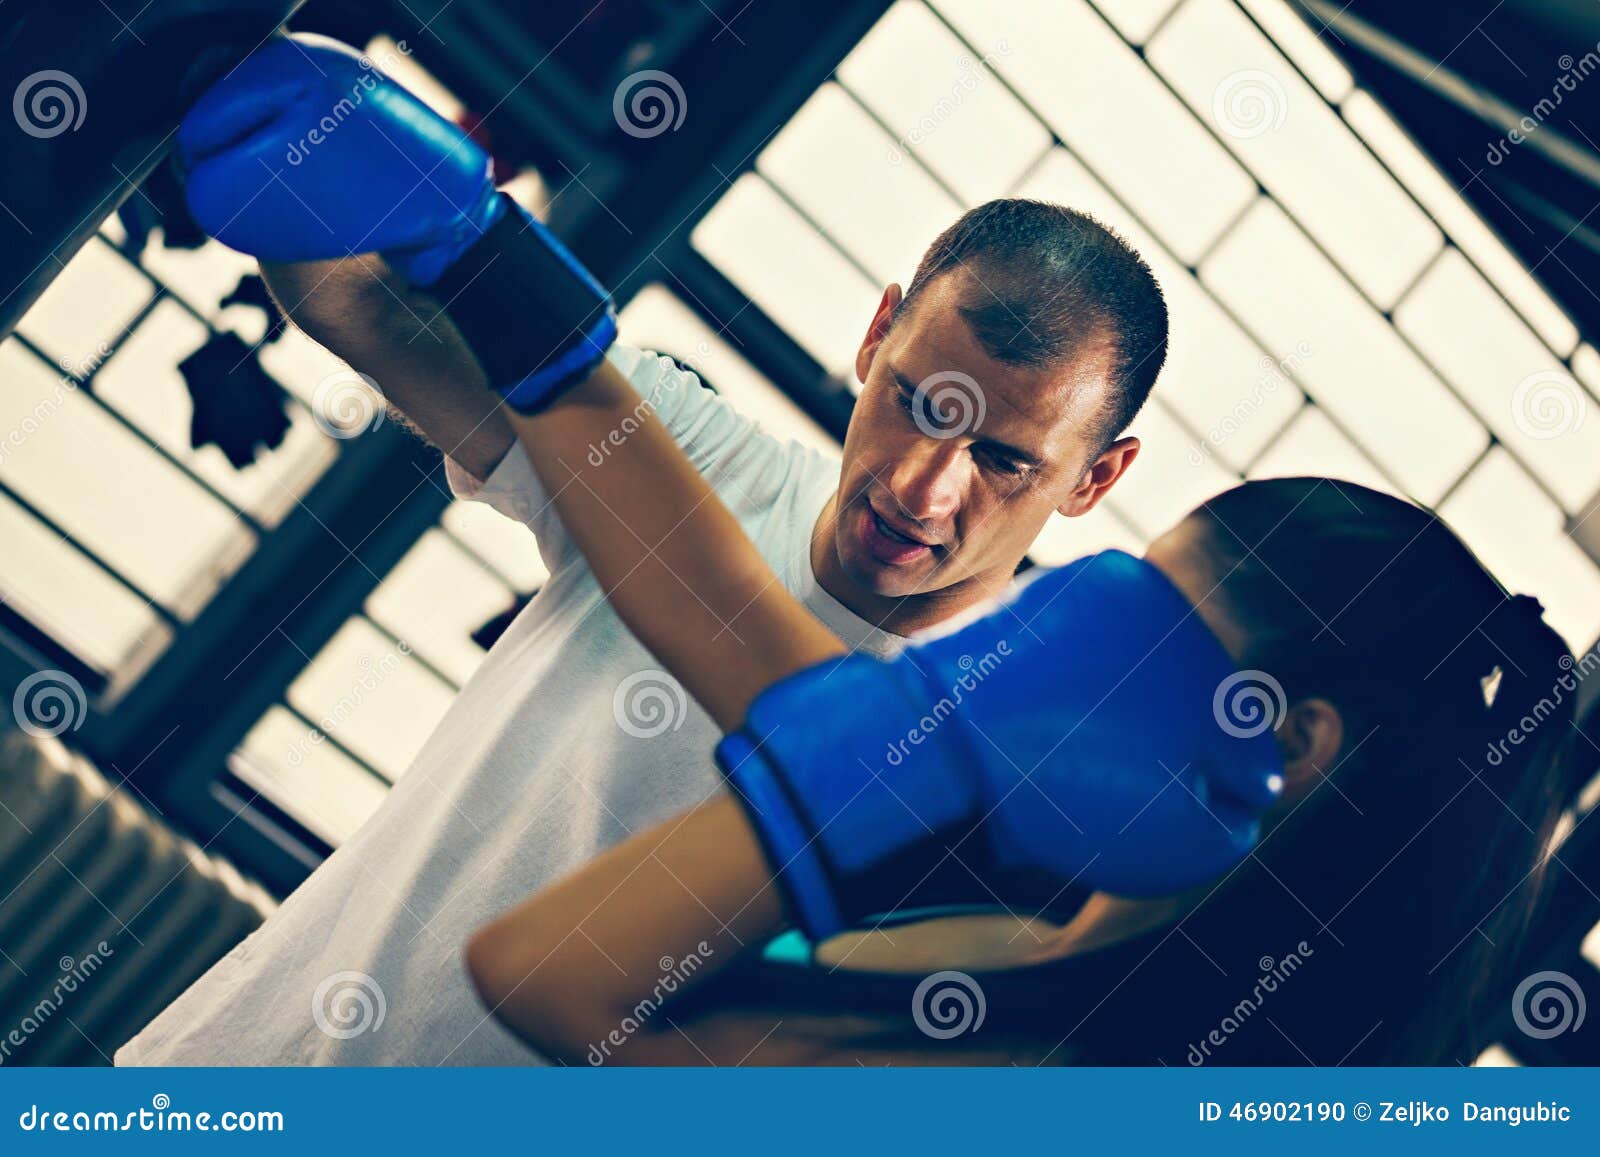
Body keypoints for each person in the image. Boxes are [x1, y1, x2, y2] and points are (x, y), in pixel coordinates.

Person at [115, 33, 1167, 1065]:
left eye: (1003, 460)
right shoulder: (671, 445)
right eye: (915, 401)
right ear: (876, 332)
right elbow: (363, 309)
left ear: (1094, 478)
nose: (920, 486)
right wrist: (303, 147)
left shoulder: (1004, 759)